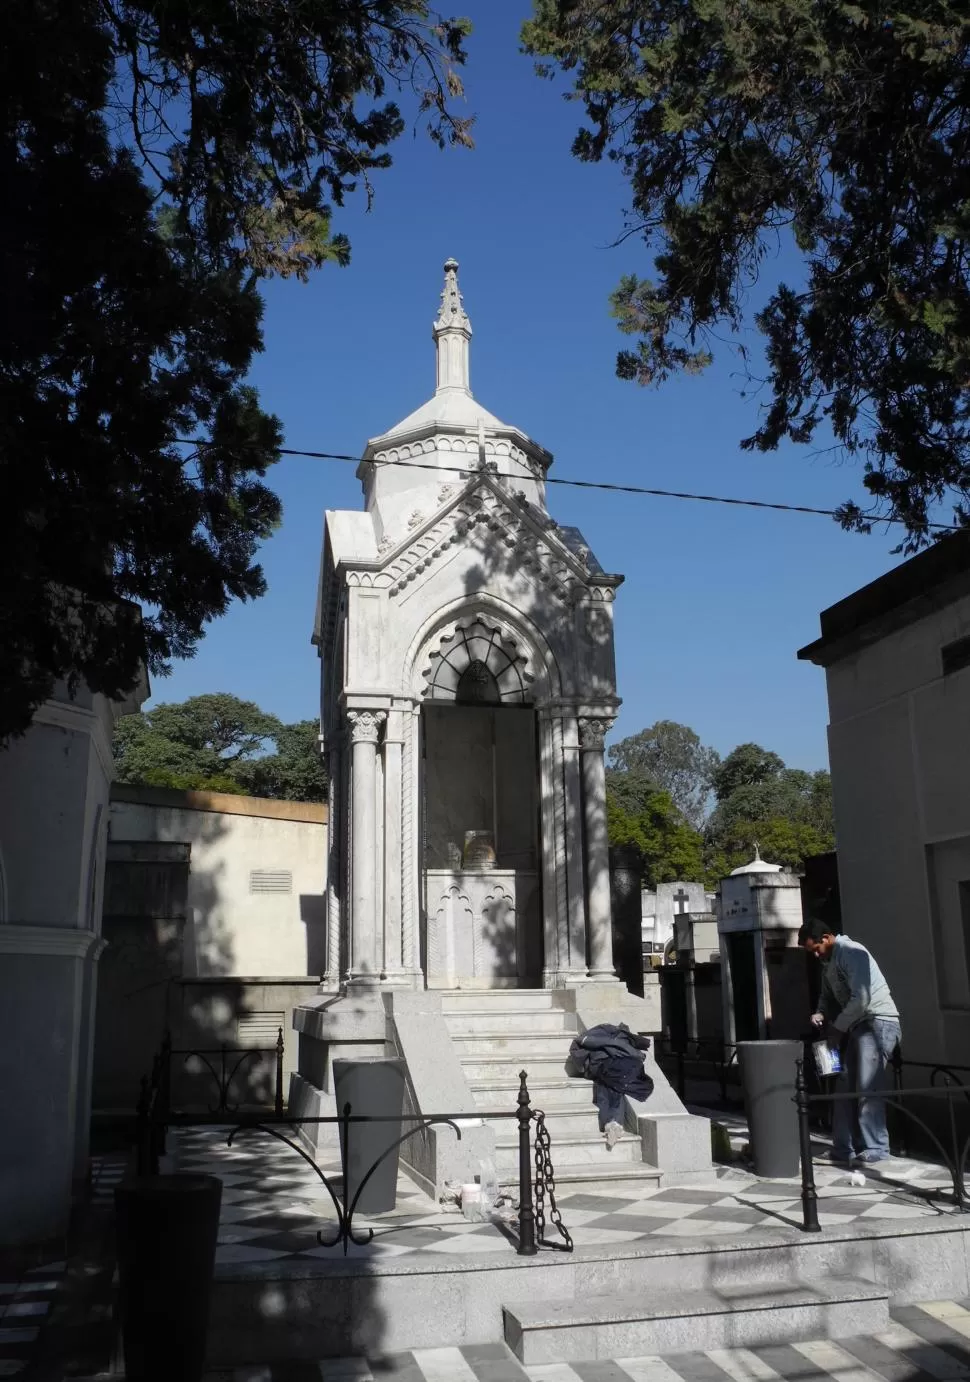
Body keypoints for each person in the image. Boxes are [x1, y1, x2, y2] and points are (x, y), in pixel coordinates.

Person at [799, 918, 901, 1165]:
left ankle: (876, 1147)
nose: (815, 955)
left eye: (815, 949)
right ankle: (844, 1147)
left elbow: (862, 998)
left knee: (867, 1086)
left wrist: (836, 1029)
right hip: (857, 1027)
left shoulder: (852, 952)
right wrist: (820, 1013)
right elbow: (826, 997)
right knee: (844, 1087)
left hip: (878, 1022)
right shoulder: (828, 963)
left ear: (826, 938)